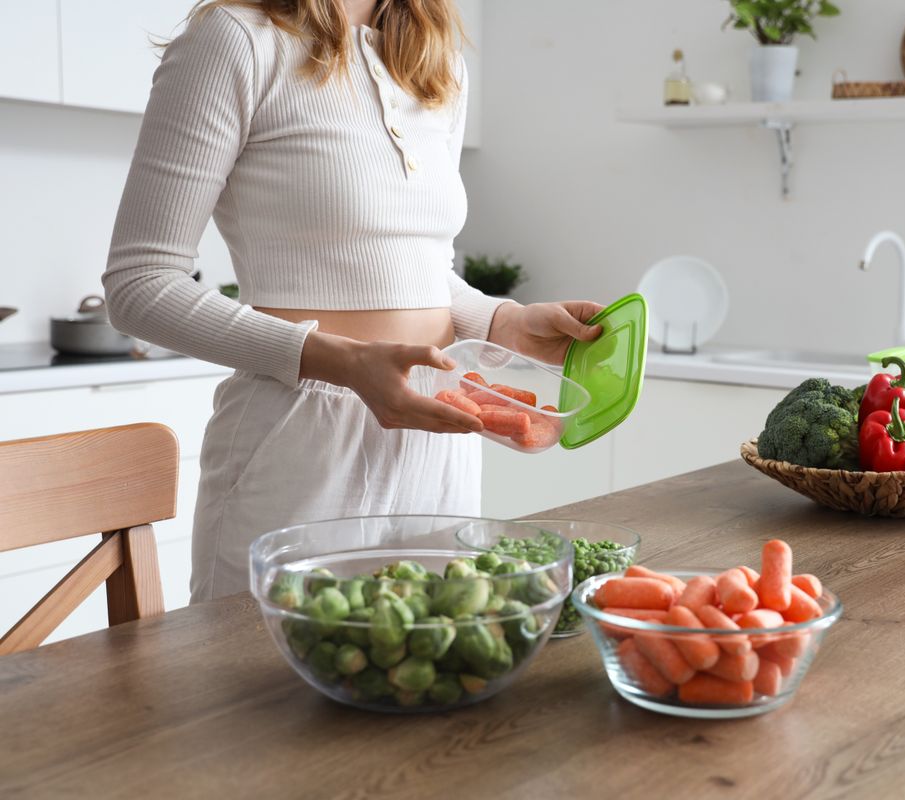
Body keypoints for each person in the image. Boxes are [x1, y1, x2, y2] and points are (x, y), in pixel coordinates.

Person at [103, 0, 603, 602]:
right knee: (260, 679)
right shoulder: (236, 40)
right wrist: (340, 362)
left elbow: (422, 270)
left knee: (425, 666)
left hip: (439, 437)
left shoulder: (435, 61)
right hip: (300, 438)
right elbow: (139, 285)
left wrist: (508, 323)